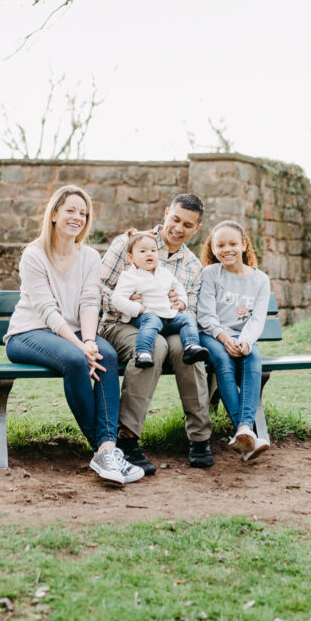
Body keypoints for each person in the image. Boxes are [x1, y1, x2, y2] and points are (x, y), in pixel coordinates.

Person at [4, 185, 144, 485]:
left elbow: (89, 302)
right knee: (76, 359)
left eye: (83, 213)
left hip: (76, 333)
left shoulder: (90, 257)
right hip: (29, 333)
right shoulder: (33, 254)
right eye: (70, 210)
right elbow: (46, 310)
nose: (77, 217)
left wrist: (91, 341)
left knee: (105, 353)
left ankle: (107, 450)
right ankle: (104, 450)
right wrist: (80, 345)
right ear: (54, 214)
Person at [100, 194, 213, 474]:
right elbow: (97, 287)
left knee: (190, 349)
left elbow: (193, 311)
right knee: (156, 346)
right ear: (165, 214)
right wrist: (129, 302)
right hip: (122, 323)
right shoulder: (129, 243)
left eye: (188, 225)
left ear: (196, 229)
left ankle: (200, 439)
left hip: (168, 321)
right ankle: (127, 439)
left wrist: (181, 304)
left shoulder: (191, 266)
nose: (178, 228)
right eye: (175, 219)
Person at [197, 220, 271, 463]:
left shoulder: (260, 280)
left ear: (243, 245)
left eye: (232, 244)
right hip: (213, 335)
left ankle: (243, 429)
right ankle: (247, 430)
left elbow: (258, 318)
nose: (226, 249)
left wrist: (246, 342)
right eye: (220, 245)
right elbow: (206, 316)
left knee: (254, 358)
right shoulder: (210, 274)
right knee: (222, 360)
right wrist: (225, 338)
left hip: (243, 337)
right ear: (213, 249)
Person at [110, 230, 209, 368]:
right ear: (131, 258)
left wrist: (182, 301)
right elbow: (117, 299)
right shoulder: (130, 277)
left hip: (167, 317)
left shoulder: (164, 273)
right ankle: (143, 352)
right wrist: (137, 308)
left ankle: (191, 346)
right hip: (144, 317)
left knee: (187, 320)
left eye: (153, 250)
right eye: (143, 251)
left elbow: (178, 286)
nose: (149, 254)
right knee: (152, 320)